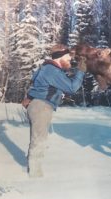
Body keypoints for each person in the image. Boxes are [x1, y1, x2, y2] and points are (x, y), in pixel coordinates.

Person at [23, 44, 87, 177]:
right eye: (68, 58)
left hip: (37, 105)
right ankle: (34, 175)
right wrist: (81, 70)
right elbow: (72, 87)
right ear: (60, 57)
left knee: (36, 139)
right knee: (39, 141)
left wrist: (29, 97)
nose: (70, 61)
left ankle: (31, 168)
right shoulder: (52, 70)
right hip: (41, 107)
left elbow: (35, 82)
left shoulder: (46, 67)